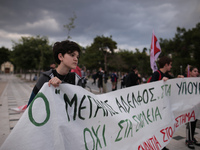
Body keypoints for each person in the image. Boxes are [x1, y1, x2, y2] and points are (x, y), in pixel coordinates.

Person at [27, 40, 82, 106]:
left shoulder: (76, 79)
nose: (76, 59)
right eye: (72, 55)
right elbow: (31, 105)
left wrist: (62, 84)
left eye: (77, 57)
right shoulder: (46, 78)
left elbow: (80, 105)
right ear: (60, 57)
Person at [185, 65, 200, 149]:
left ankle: (192, 137)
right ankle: (188, 139)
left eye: (197, 71)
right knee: (190, 122)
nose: (196, 72)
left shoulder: (198, 81)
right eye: (194, 71)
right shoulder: (187, 81)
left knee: (195, 121)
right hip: (190, 105)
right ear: (190, 72)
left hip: (197, 105)